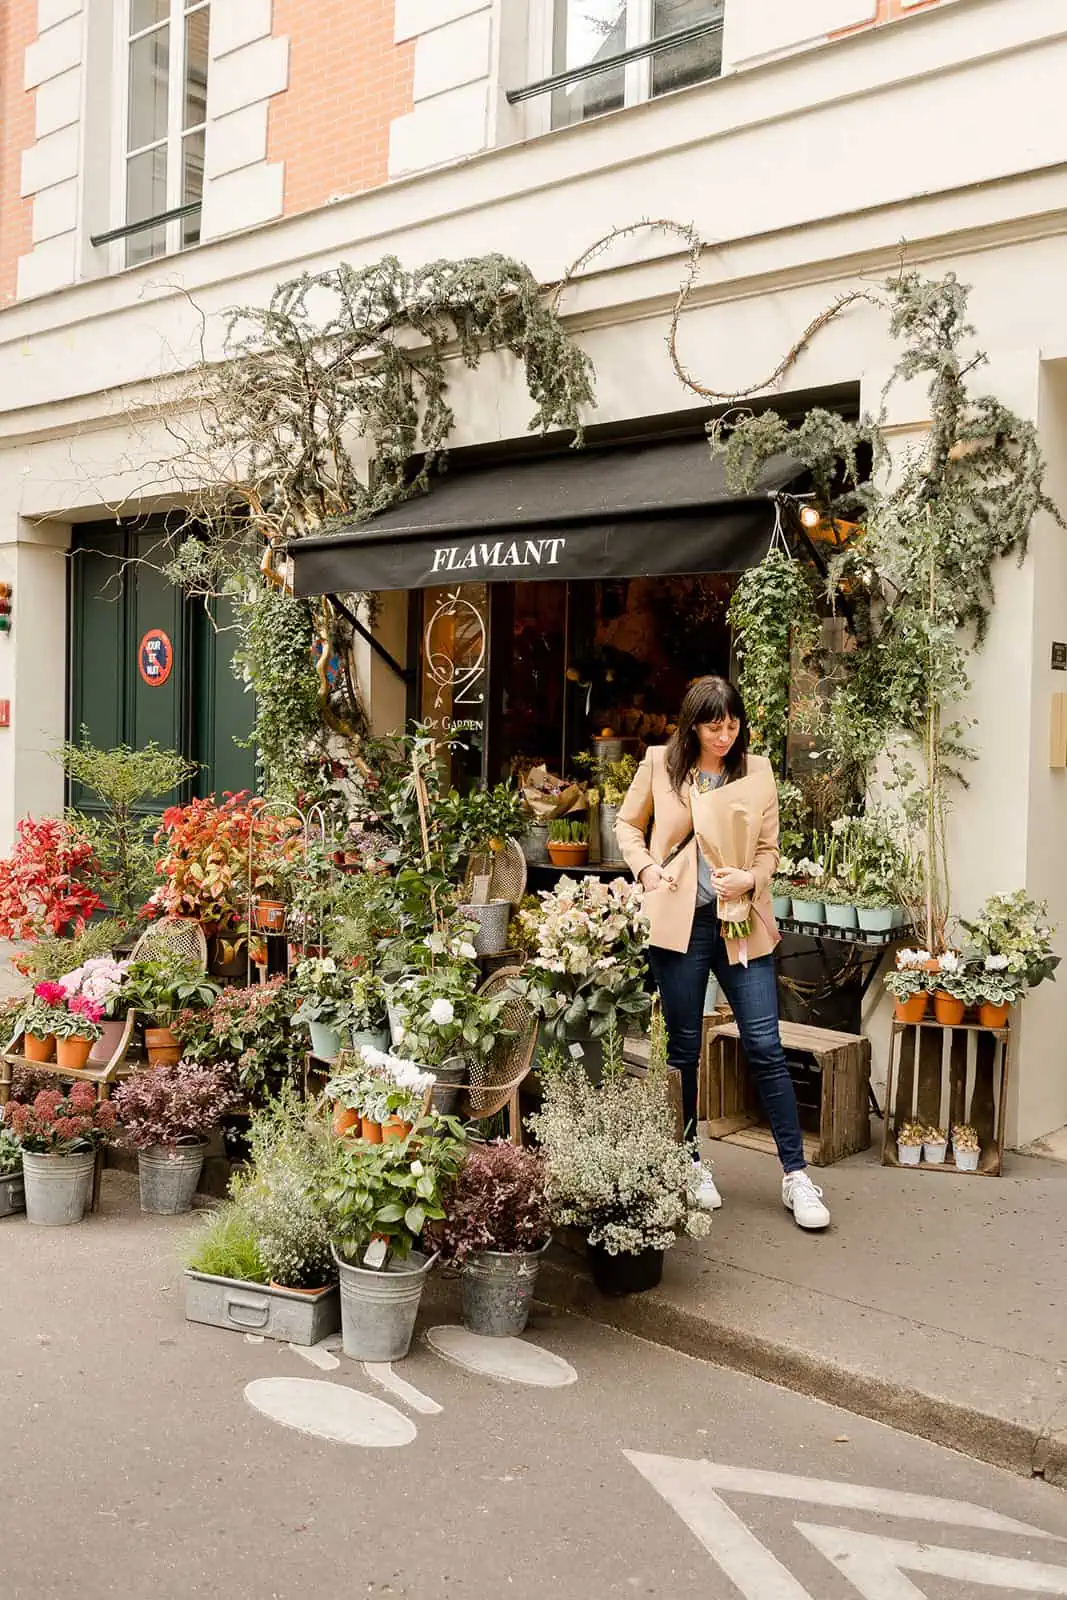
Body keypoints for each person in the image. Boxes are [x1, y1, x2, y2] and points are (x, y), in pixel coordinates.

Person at [615, 675, 830, 1230]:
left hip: (739, 922)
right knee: (684, 1047)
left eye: (732, 724)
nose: (725, 735)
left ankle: (795, 1175)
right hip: (679, 924)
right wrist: (647, 869)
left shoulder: (755, 771)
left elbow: (769, 850)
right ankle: (688, 1162)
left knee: (764, 1041)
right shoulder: (661, 764)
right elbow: (627, 825)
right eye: (714, 725)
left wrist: (750, 879)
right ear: (693, 724)